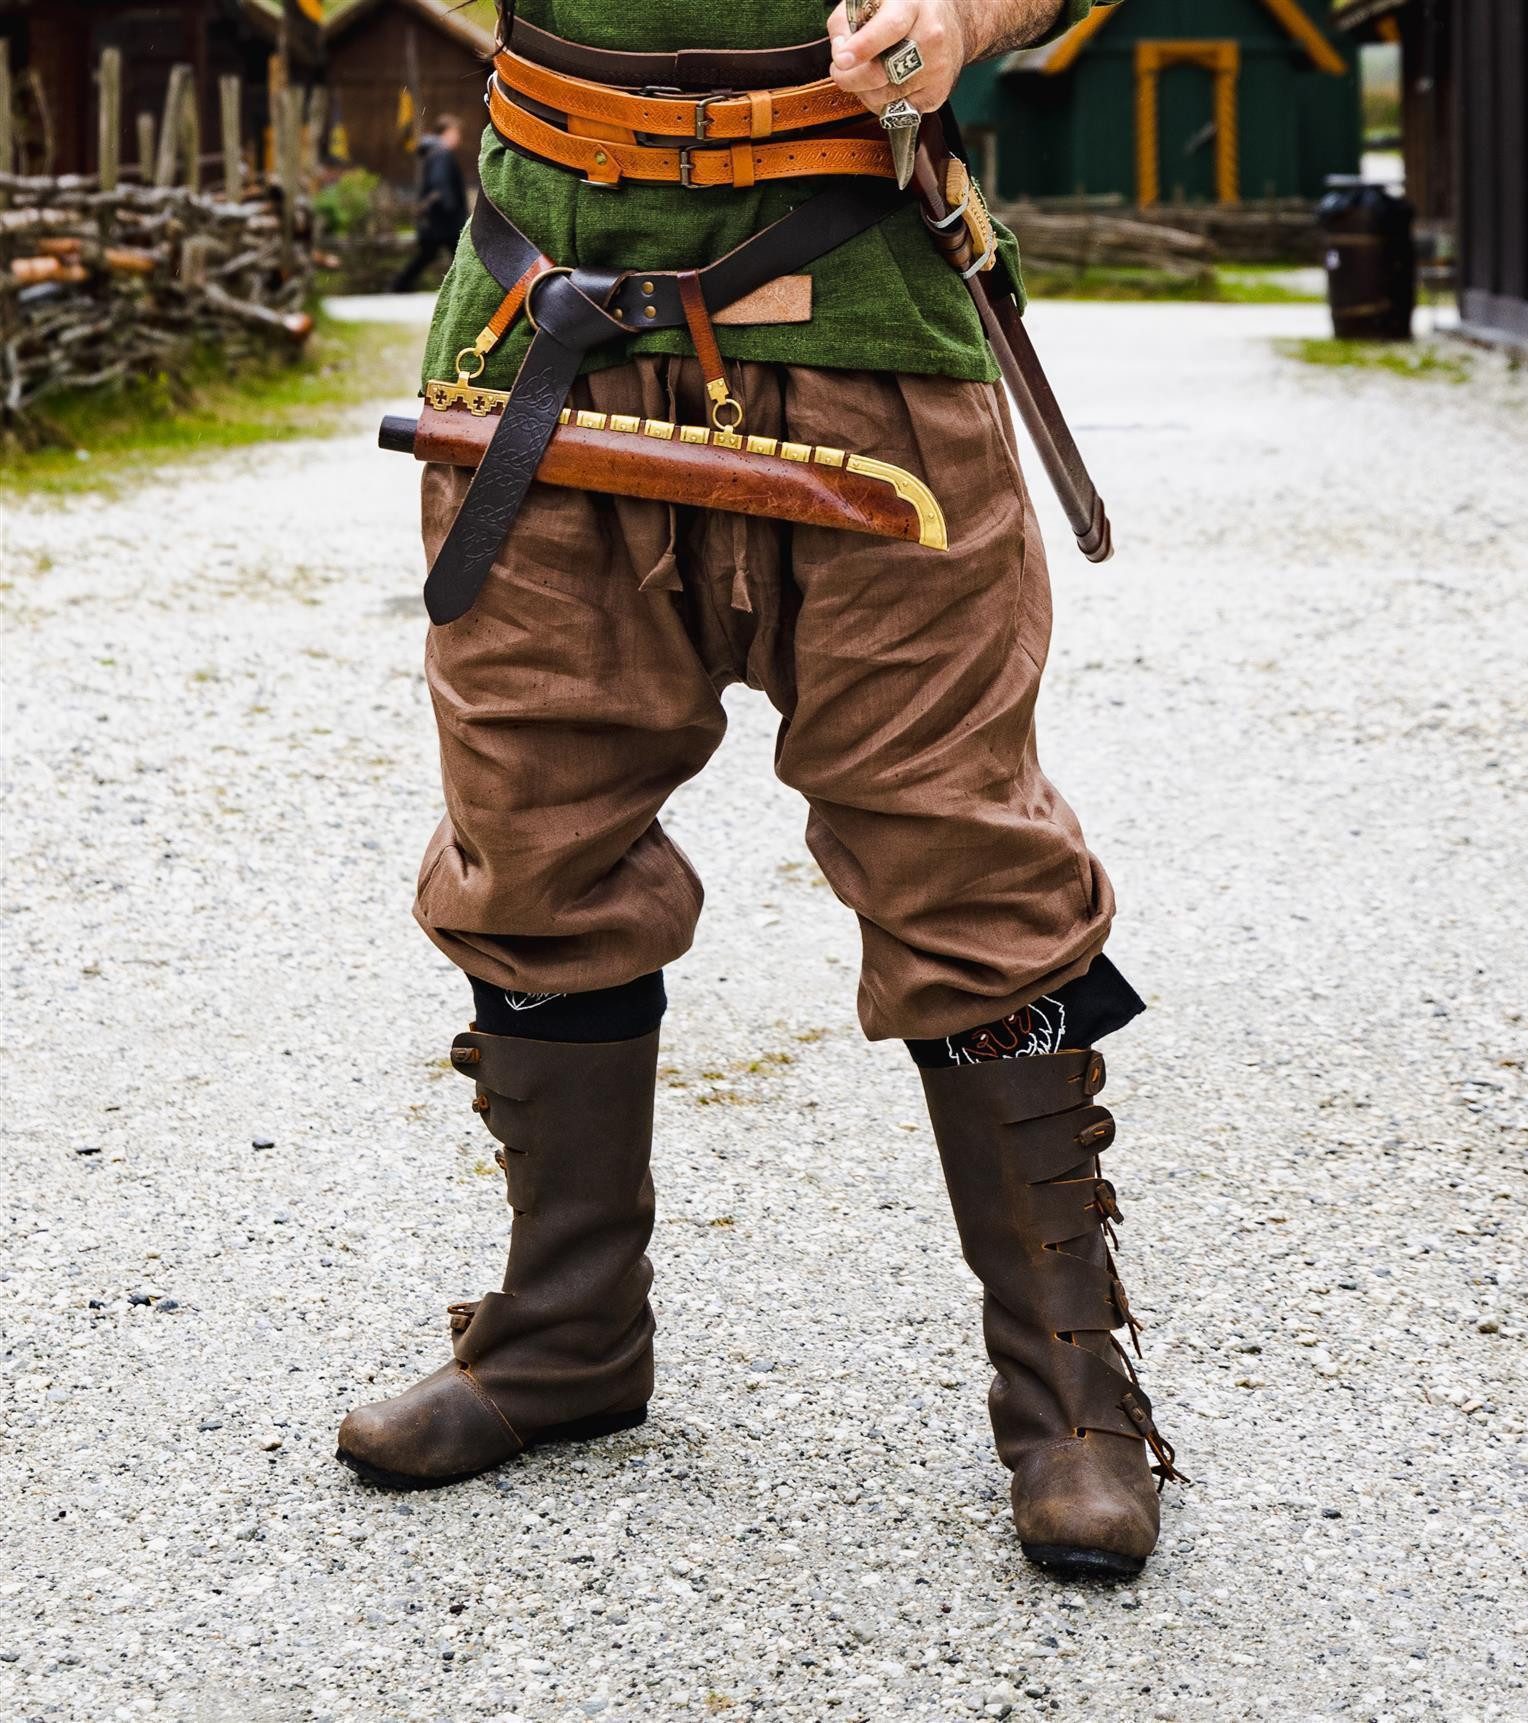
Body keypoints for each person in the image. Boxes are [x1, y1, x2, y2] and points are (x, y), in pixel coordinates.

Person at [338, 0, 1182, 1579]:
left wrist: (967, 14)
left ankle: (1072, 1390)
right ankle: (566, 1333)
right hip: (541, 316)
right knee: (530, 837)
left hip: (870, 326)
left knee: (958, 854)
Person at [389, 115, 468, 293]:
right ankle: (465, 290)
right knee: (459, 254)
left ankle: (399, 285)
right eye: (456, 133)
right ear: (446, 133)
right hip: (445, 219)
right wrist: (451, 209)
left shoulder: (435, 152)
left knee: (429, 255)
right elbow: (440, 183)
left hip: (436, 219)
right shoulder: (442, 154)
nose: (459, 138)